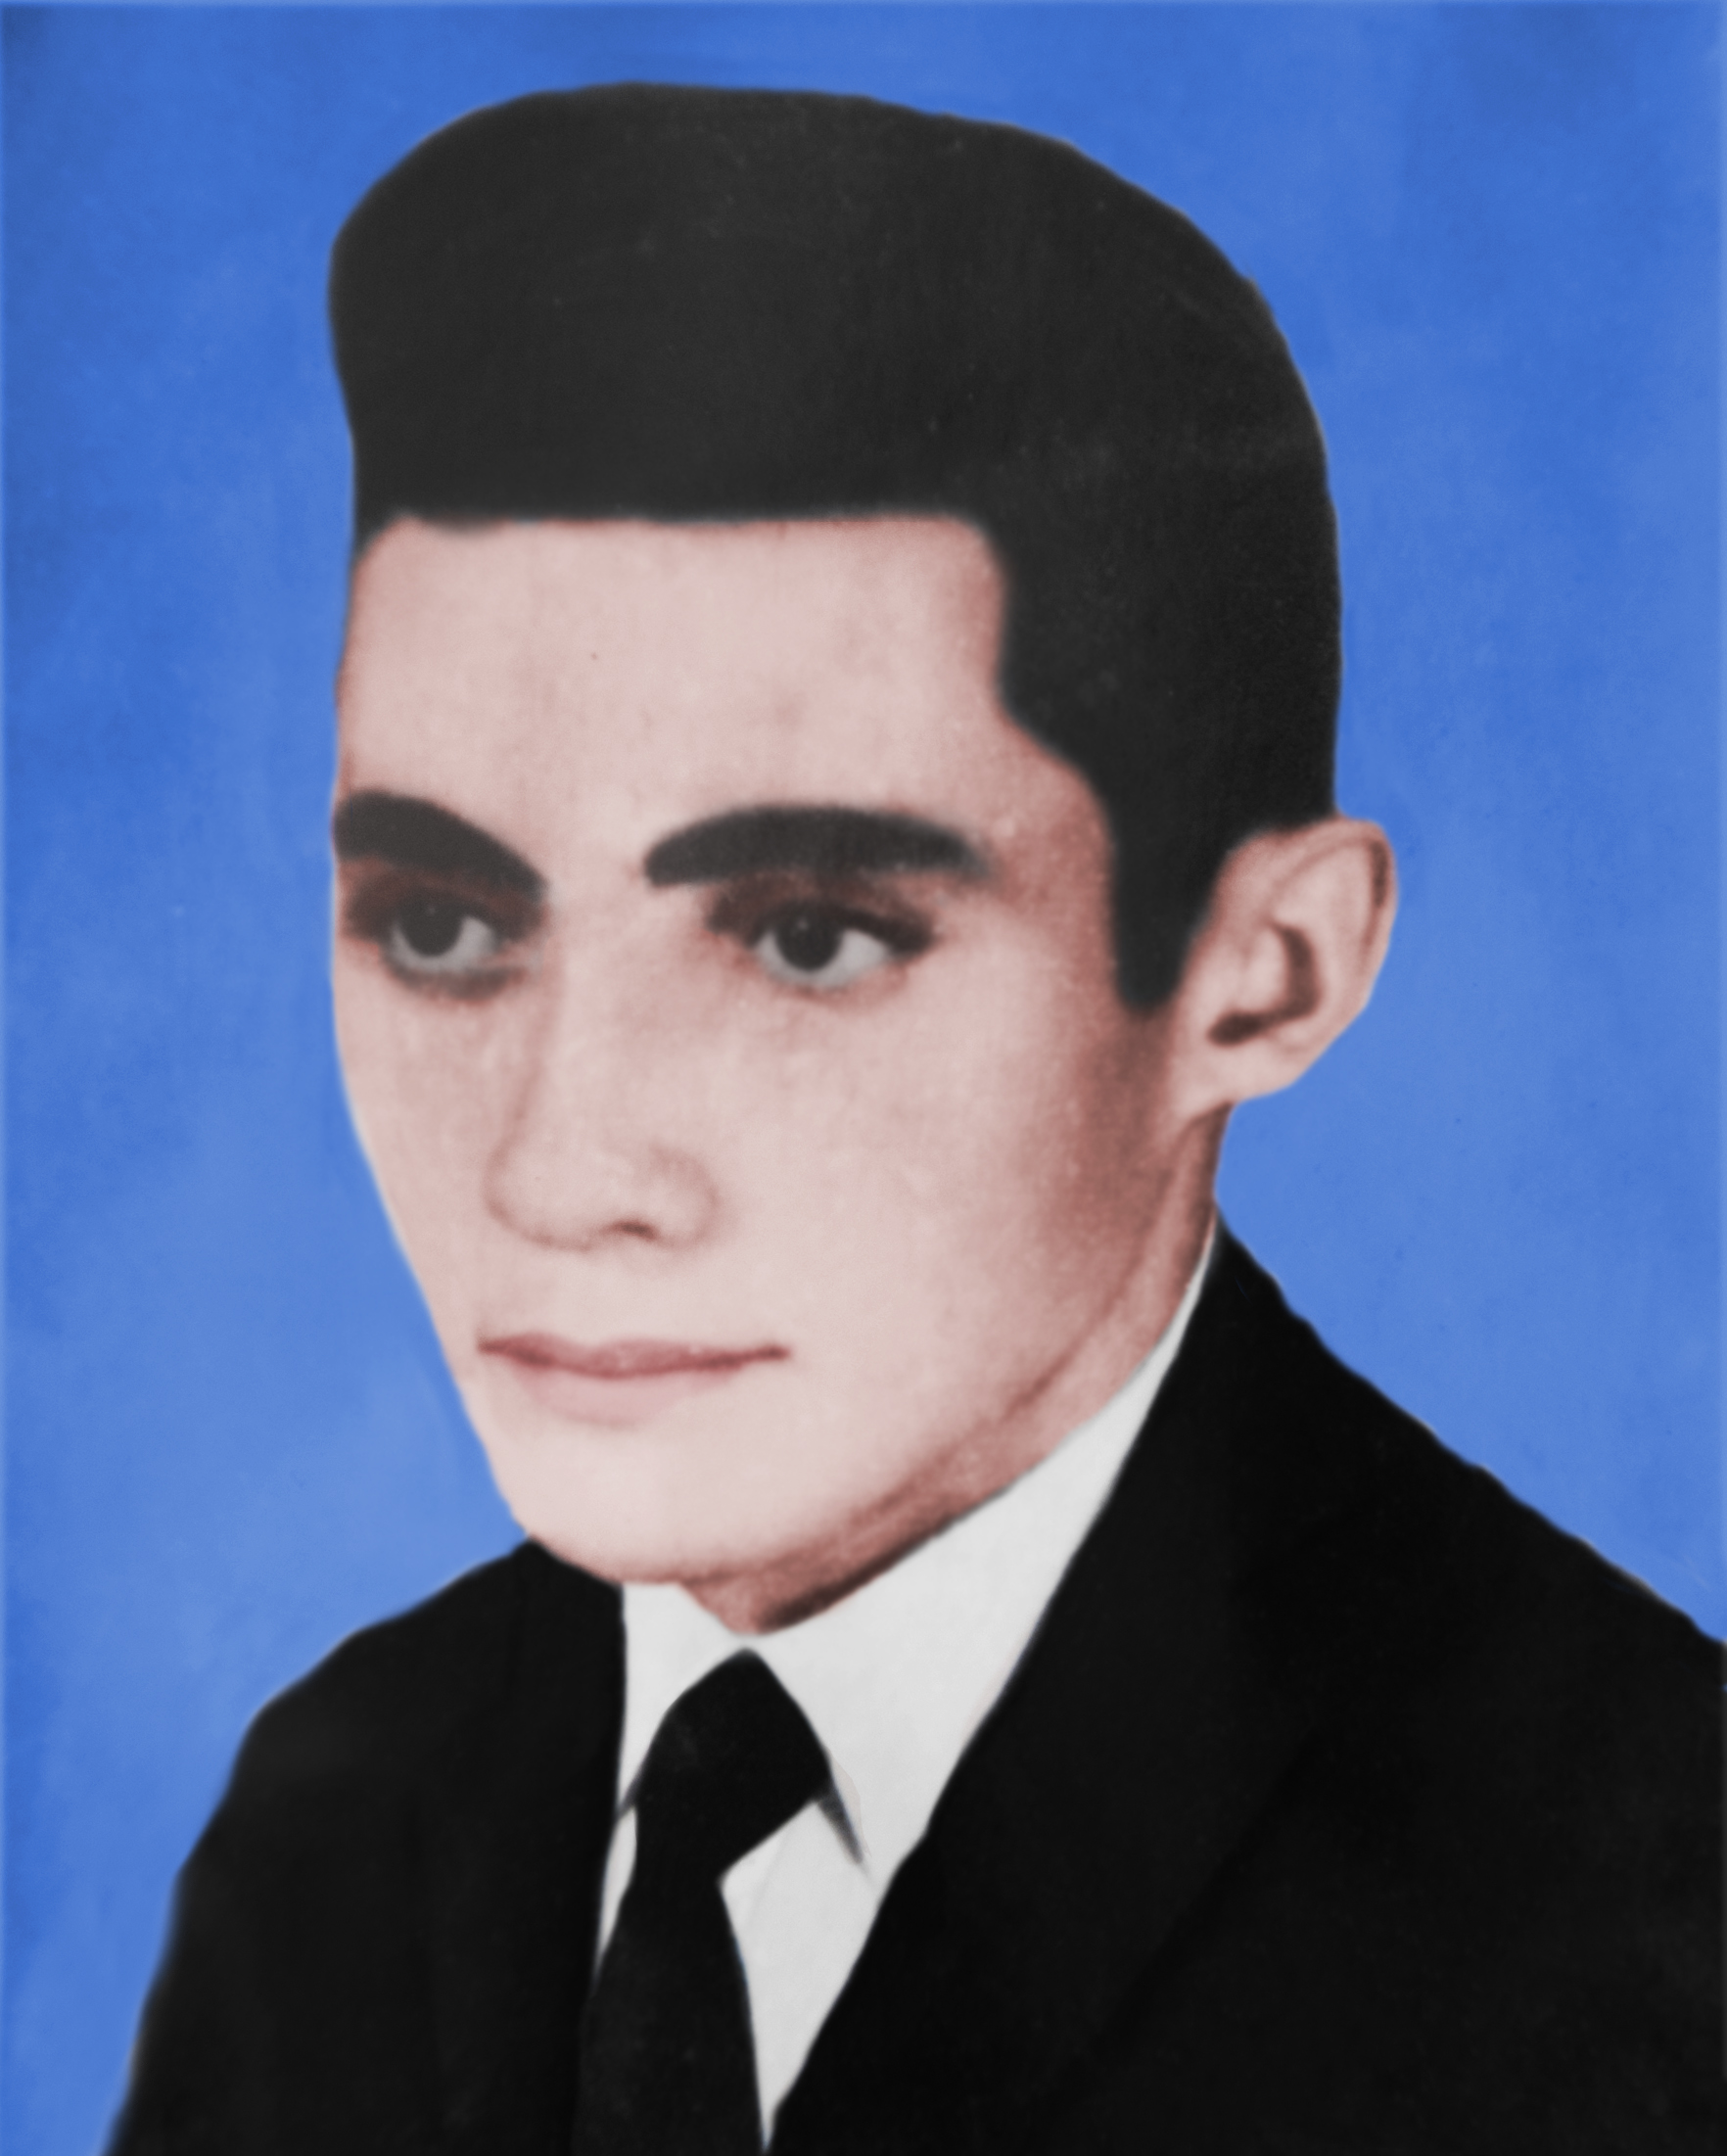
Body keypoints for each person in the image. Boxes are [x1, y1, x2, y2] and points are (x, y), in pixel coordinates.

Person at [109, 83, 1721, 2156]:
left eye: (808, 937)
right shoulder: (339, 1826)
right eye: (442, 923)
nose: (559, 1168)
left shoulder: (1642, 1898)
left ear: (1264, 974)